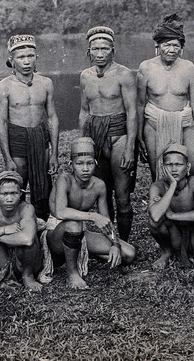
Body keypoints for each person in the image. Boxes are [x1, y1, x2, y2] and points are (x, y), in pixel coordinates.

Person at [136, 14, 194, 198]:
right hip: (154, 125)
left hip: (184, 123)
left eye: (175, 45)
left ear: (181, 48)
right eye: (166, 45)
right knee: (160, 176)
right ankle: (166, 222)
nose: (171, 50)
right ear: (158, 46)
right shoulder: (145, 68)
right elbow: (140, 104)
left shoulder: (188, 68)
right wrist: (139, 137)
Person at [42, 137, 135, 290]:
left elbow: (104, 220)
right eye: (80, 164)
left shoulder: (98, 185)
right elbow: (60, 211)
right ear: (72, 165)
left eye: (89, 163)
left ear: (95, 164)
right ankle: (72, 274)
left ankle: (85, 252)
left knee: (129, 253)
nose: (85, 168)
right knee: (74, 224)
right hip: (55, 235)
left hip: (80, 234)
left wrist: (115, 244)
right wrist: (92, 216)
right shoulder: (64, 179)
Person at [79, 26, 137, 241]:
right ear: (89, 51)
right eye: (96, 49)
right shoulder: (85, 76)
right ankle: (111, 241)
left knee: (122, 195)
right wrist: (82, 144)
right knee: (102, 191)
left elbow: (132, 112)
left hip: (119, 134)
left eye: (105, 48)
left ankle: (124, 241)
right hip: (95, 135)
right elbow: (85, 110)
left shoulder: (124, 75)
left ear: (113, 50)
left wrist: (130, 147)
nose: (100, 53)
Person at [0, 34, 58, 221]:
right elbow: (1, 123)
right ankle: (17, 231)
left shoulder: (46, 83)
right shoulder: (3, 86)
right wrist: (7, 157)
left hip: (40, 138)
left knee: (43, 188)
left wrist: (54, 153)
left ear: (36, 58)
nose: (26, 61)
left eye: (30, 56)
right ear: (11, 60)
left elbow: (52, 117)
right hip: (17, 139)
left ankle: (42, 234)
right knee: (16, 188)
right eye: (21, 57)